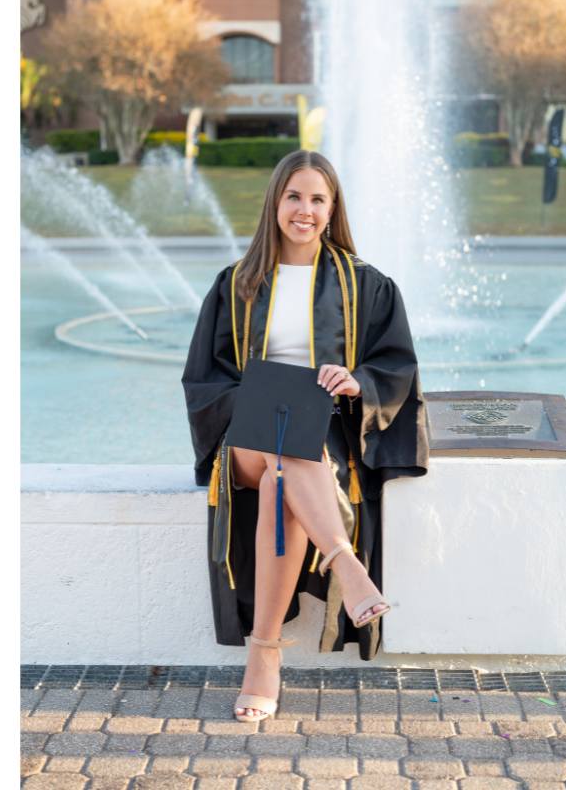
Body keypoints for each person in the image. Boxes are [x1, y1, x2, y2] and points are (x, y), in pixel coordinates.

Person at [182, 150, 427, 723]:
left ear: (332, 208)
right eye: (295, 196)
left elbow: (396, 369)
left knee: (285, 474)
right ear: (275, 202)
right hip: (244, 437)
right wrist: (257, 402)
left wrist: (356, 381)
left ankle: (263, 658)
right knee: (281, 448)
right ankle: (345, 562)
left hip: (321, 441)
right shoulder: (237, 285)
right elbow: (204, 379)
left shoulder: (366, 286)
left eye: (318, 199)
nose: (305, 210)